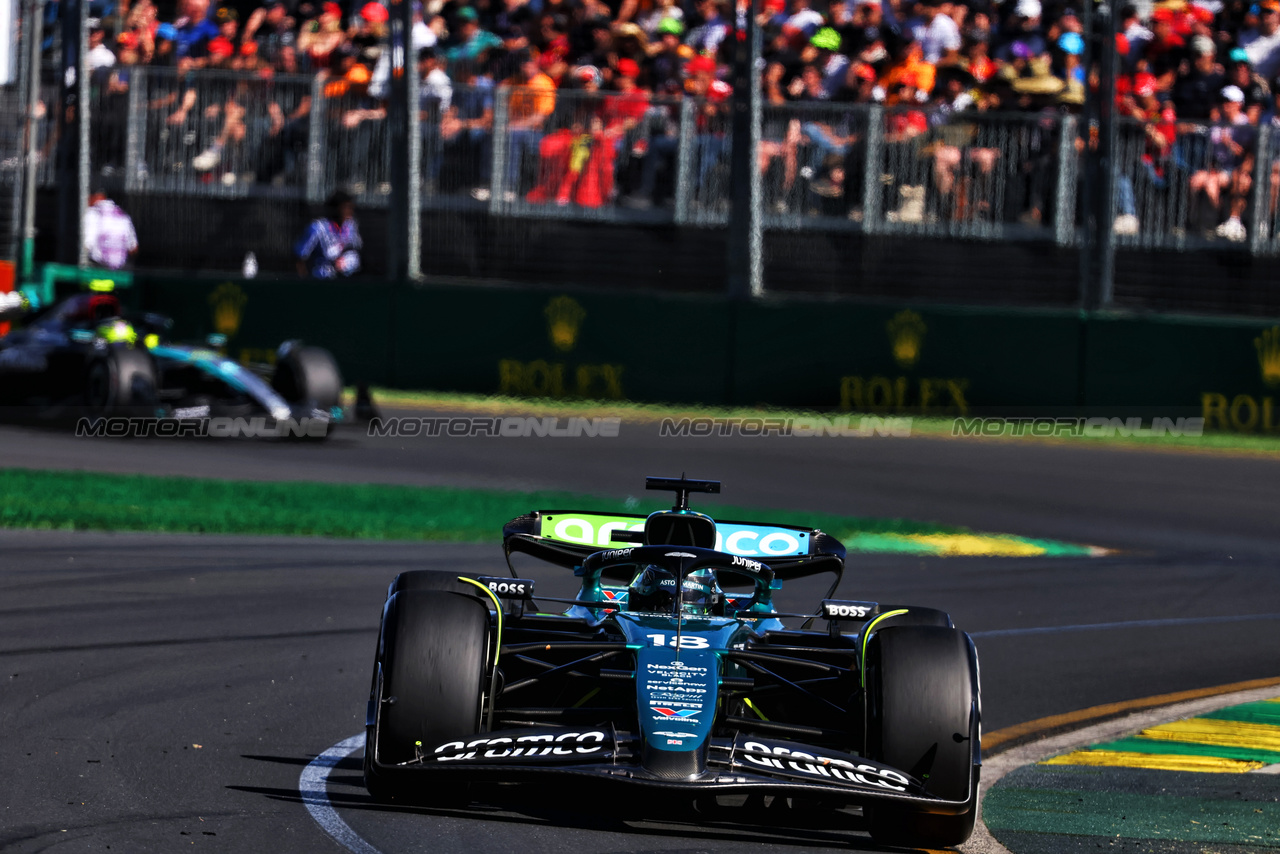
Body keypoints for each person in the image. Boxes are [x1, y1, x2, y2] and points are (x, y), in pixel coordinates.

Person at [295, 191, 363, 277]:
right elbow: (299, 258)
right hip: (322, 280)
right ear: (336, 208)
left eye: (351, 208)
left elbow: (356, 249)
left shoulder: (351, 226)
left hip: (348, 280)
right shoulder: (317, 228)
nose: (350, 212)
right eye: (346, 208)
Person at [83, 190, 139, 270]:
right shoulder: (122, 214)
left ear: (92, 197)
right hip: (120, 271)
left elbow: (87, 244)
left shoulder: (92, 213)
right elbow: (133, 248)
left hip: (98, 269)